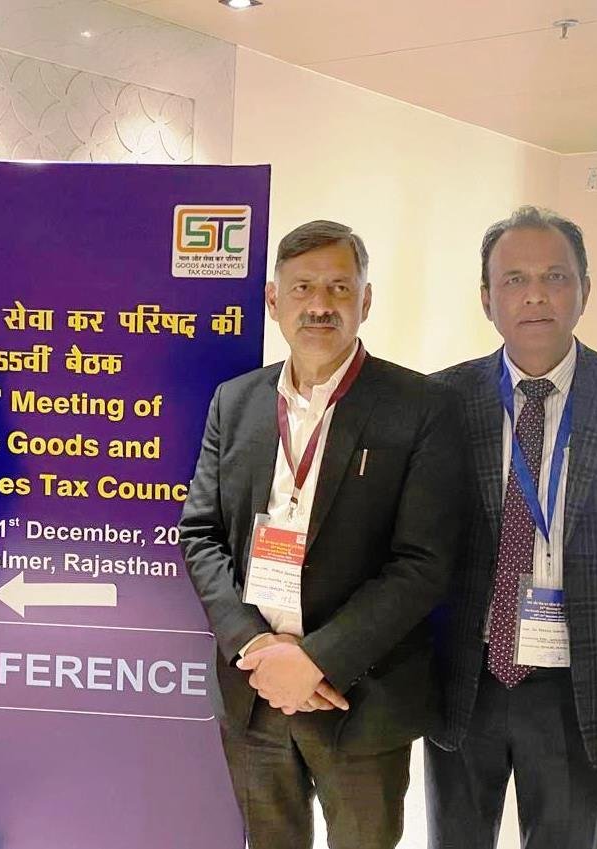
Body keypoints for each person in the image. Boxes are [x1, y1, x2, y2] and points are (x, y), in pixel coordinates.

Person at [179, 219, 464, 849]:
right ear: (273, 300)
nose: (320, 305)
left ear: (366, 300)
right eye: (303, 287)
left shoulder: (420, 407)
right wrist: (256, 647)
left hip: (361, 698)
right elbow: (199, 533)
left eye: (339, 288)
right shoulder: (235, 401)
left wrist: (314, 661)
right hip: (253, 692)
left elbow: (423, 562)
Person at [425, 206, 597, 849]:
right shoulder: (442, 399)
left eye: (555, 276)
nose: (536, 295)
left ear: (585, 290)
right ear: (487, 299)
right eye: (514, 280)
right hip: (466, 681)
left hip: (584, 689)